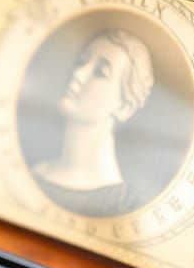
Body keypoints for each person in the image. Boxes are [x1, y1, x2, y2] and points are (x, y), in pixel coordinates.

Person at [31, 29, 154, 217]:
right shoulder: (35, 172)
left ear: (124, 108)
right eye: (81, 61)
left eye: (100, 72)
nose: (78, 73)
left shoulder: (125, 207)